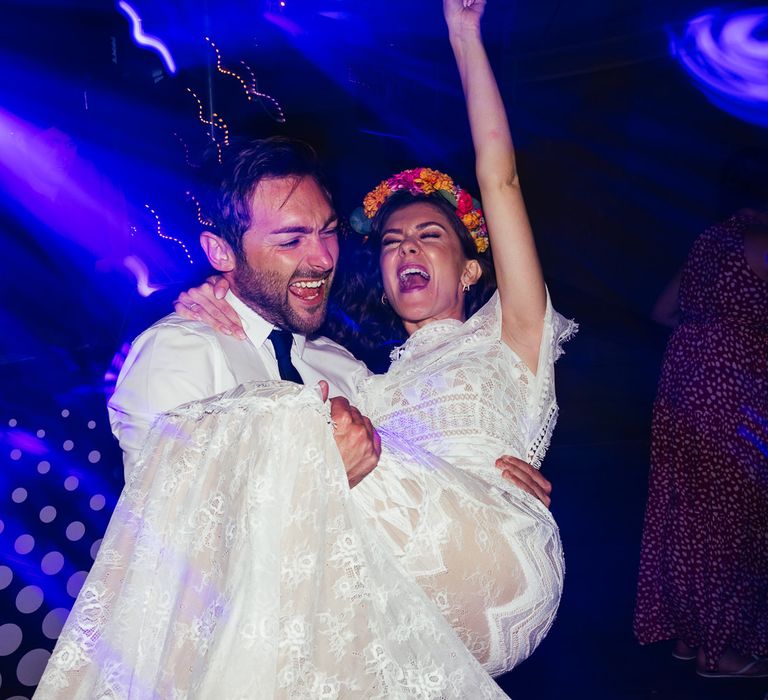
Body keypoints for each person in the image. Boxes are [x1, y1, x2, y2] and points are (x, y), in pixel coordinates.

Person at [35, 1, 571, 696]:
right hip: (376, 619)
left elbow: (501, 178)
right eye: (292, 239)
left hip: (491, 549)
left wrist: (465, 36)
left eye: (430, 236)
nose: (321, 255)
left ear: (473, 268)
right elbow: (174, 539)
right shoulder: (337, 372)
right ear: (222, 253)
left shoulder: (389, 360)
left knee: (298, 424)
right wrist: (319, 463)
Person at [634, 208, 768, 678]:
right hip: (737, 396)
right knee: (733, 522)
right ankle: (719, 651)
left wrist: (706, 341)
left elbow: (661, 311)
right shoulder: (762, 241)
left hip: (683, 385)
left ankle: (690, 636)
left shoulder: (712, 240)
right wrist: (739, 343)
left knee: (688, 515)